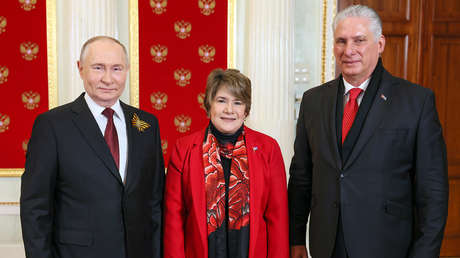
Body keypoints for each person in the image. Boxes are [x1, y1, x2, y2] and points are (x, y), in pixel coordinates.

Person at [288, 5, 448, 258]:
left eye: (359, 41)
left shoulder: (417, 102)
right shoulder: (313, 101)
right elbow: (301, 177)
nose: (348, 50)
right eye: (341, 41)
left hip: (388, 246)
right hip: (326, 245)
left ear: (380, 43)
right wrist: (295, 238)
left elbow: (433, 191)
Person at [20, 36, 164, 258]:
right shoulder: (51, 125)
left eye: (116, 68)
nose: (108, 79)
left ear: (127, 70)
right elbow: (35, 208)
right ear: (80, 68)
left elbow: (154, 202)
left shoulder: (146, 124)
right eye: (98, 68)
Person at [163, 68, 289, 258]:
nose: (229, 110)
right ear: (209, 105)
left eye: (237, 102)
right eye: (221, 101)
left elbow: (277, 218)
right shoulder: (184, 149)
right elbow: (174, 217)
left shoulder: (268, 149)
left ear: (246, 110)